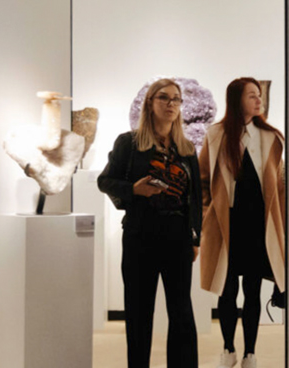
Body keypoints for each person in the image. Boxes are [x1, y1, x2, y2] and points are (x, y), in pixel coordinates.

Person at [98, 78, 202, 368]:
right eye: (164, 98)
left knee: (181, 315)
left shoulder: (186, 148)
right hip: (140, 236)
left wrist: (196, 238)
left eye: (176, 99)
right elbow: (104, 181)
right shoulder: (129, 143)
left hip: (178, 238)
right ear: (150, 103)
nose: (171, 104)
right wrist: (134, 189)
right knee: (139, 315)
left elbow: (195, 196)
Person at [198, 77, 286, 368]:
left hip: (257, 223)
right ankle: (227, 349)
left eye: (259, 95)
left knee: (252, 289)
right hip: (227, 222)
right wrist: (205, 214)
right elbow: (201, 181)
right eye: (251, 96)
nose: (258, 101)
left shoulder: (272, 136)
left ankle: (250, 352)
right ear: (237, 100)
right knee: (226, 289)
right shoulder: (216, 135)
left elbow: (279, 186)